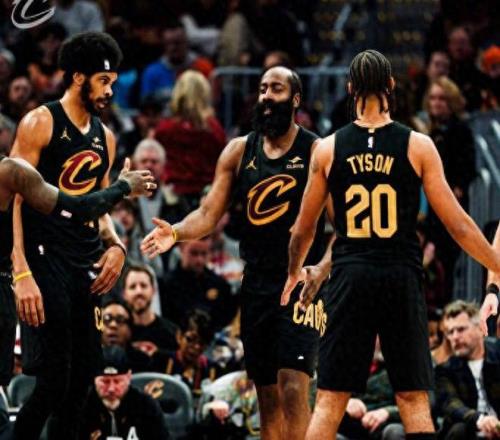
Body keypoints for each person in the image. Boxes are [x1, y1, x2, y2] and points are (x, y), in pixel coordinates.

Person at [281, 49, 500, 440]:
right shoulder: (418, 145)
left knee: (330, 399)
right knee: (413, 398)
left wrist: (295, 271)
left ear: (350, 88)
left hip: (350, 277)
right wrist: (497, 264)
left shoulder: (327, 148)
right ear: (391, 86)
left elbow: (302, 229)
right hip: (400, 275)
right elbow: (458, 225)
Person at [142, 66, 332, 440]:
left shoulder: (316, 151)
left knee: (293, 385)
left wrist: (322, 269)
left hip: (301, 282)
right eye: (262, 89)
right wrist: (176, 232)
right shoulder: (238, 151)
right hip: (256, 281)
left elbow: (343, 229)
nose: (266, 96)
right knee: (267, 394)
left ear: (295, 99)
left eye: (276, 89)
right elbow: (208, 214)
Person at [9, 32, 128, 440]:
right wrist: (20, 270)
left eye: (113, 82)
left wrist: (117, 245)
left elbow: (100, 206)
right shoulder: (40, 122)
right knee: (53, 381)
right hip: (45, 259)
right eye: (103, 81)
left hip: (84, 263)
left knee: (81, 384)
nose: (110, 91)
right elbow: (14, 200)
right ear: (78, 77)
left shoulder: (105, 137)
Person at [435, 301, 500, 439]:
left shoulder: (497, 355)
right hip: (469, 429)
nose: (455, 337)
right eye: (450, 332)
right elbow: (450, 404)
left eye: (461, 329)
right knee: (459, 429)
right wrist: (480, 420)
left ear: (480, 328)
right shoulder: (445, 370)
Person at [79, 345, 170, 440]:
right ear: (94, 378)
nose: (111, 389)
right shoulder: (82, 407)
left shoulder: (145, 406)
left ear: (128, 376)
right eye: (105, 381)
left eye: (117, 381)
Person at [122, 263, 178, 355]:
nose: (139, 292)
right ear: (124, 294)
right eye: (132, 287)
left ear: (153, 291)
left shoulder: (172, 333)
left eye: (143, 286)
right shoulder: (119, 332)